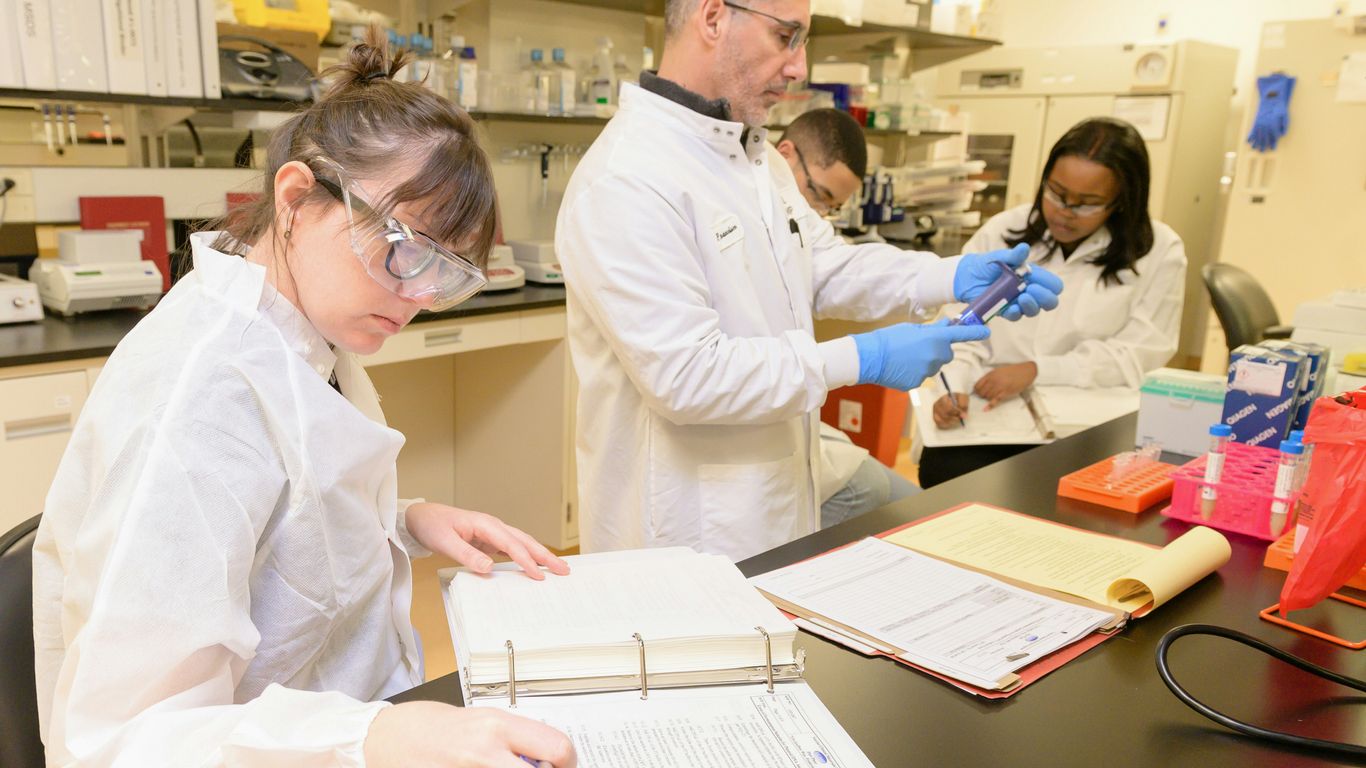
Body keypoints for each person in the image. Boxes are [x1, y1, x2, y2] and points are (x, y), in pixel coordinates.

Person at [32, 30, 577, 768]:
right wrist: (372, 739)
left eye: (444, 272)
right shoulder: (194, 403)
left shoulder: (295, 324)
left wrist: (404, 520)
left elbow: (280, 511)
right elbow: (120, 740)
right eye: (405, 249)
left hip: (350, 713)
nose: (418, 296)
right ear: (295, 198)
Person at [555, 0, 1064, 561]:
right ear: (713, 16)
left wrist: (951, 275)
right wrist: (862, 358)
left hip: (773, 504)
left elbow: (825, 265)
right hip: (683, 532)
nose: (799, 67)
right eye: (786, 36)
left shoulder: (756, 159)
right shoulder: (628, 178)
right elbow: (688, 376)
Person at [922, 117, 1187, 487]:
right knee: (945, 475)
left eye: (1087, 204)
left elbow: (1138, 355)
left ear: (1121, 202)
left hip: (1089, 422)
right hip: (992, 416)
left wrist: (1037, 370)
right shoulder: (1001, 233)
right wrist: (954, 387)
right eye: (1057, 193)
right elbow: (960, 324)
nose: (1065, 211)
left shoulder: (1159, 251)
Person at [775, 108, 919, 526]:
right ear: (785, 155)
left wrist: (947, 278)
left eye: (831, 207)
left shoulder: (797, 223)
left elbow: (843, 272)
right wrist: (862, 357)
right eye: (819, 195)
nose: (820, 213)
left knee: (919, 505)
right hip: (757, 426)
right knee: (872, 492)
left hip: (794, 418)